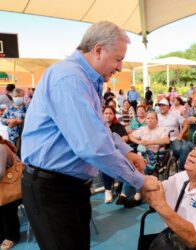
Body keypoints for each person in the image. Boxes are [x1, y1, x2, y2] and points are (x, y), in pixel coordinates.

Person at [21, 21, 159, 250]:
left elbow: (100, 128)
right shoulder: (70, 78)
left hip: (70, 186)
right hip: (51, 188)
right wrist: (139, 181)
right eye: (117, 58)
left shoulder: (87, 79)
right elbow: (93, 146)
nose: (120, 67)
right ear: (97, 50)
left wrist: (126, 152)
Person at [102, 105, 128, 203]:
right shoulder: (99, 125)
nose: (108, 115)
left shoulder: (118, 126)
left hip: (117, 151)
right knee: (105, 164)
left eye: (110, 113)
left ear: (114, 115)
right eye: (106, 113)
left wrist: (117, 141)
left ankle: (120, 187)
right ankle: (108, 190)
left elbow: (126, 137)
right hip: (104, 153)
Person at [0, 136, 21, 250]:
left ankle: (12, 236)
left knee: (3, 206)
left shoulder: (1, 148)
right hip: (6, 188)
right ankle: (3, 234)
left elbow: (0, 173)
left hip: (14, 190)